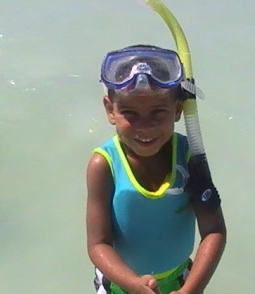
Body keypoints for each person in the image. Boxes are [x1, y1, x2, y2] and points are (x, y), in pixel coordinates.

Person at [86, 45, 226, 294]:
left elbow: (214, 231)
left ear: (178, 109)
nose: (145, 126)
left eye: (158, 112)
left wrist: (191, 289)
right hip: (119, 284)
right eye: (130, 113)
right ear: (111, 110)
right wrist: (132, 283)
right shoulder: (103, 165)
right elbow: (98, 244)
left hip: (182, 279)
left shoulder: (188, 156)